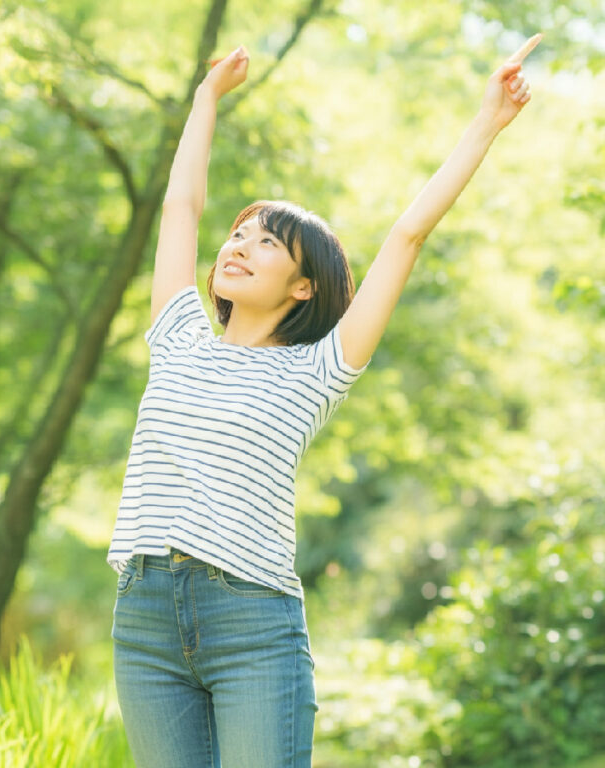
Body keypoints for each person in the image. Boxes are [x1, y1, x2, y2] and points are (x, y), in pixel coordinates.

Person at [107, 33, 542, 768]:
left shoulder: (317, 370)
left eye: (268, 243)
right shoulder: (179, 333)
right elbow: (181, 204)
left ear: (304, 287)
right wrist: (204, 100)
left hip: (251, 621)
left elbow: (406, 235)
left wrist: (486, 122)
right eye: (238, 234)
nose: (239, 245)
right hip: (144, 615)